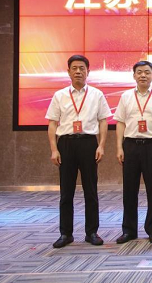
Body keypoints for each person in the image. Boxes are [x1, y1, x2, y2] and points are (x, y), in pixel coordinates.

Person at [46, 54, 112, 248]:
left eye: (82, 68)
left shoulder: (97, 95)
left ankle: (92, 232)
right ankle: (66, 234)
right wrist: (54, 149)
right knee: (66, 192)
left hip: (88, 143)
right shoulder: (59, 95)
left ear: (88, 71)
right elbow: (52, 124)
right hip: (66, 144)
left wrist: (101, 145)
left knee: (91, 190)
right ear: (68, 72)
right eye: (74, 68)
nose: (78, 72)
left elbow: (103, 121)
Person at [114, 61, 152, 244]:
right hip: (131, 145)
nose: (143, 75)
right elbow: (120, 122)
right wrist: (119, 147)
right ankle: (129, 230)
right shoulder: (126, 96)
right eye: (139, 72)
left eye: (147, 72)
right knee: (129, 190)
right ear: (134, 76)